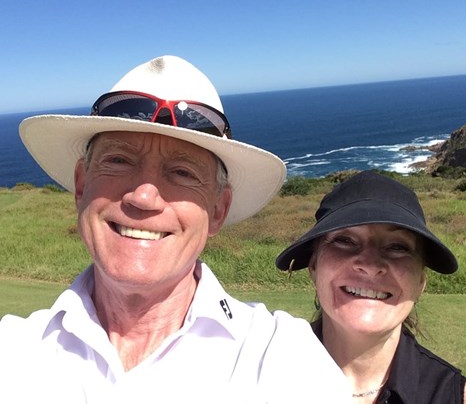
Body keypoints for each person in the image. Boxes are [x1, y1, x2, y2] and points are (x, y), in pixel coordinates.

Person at [0, 55, 351, 403]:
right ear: (81, 185)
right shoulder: (13, 352)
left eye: (183, 172)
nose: (144, 196)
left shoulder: (283, 359)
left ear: (218, 209)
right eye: (119, 160)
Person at [276, 170, 466, 404]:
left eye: (397, 247)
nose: (370, 265)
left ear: (420, 283)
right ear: (314, 267)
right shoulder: (253, 376)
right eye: (345, 241)